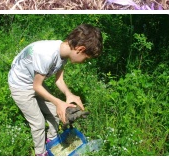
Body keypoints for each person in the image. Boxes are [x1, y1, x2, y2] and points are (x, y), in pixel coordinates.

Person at [8, 23, 103, 156]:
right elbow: (37, 87)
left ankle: (52, 142)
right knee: (38, 123)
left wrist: (69, 94)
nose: (84, 61)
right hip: (20, 85)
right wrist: (59, 102)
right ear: (80, 49)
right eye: (86, 58)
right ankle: (40, 153)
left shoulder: (63, 53)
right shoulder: (47, 55)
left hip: (34, 80)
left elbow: (59, 80)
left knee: (54, 112)